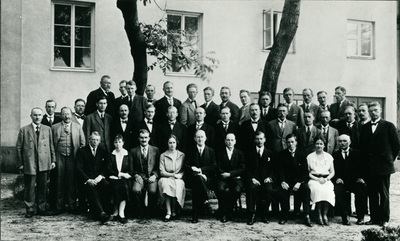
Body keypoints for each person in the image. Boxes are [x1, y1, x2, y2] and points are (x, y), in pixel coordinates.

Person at [359, 102, 400, 227]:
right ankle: (374, 218)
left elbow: (396, 145)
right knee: (372, 193)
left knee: (383, 193)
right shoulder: (365, 128)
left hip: (384, 166)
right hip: (370, 166)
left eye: (375, 110)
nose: (373, 113)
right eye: (371, 111)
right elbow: (363, 147)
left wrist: (389, 160)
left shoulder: (388, 126)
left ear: (380, 110)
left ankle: (384, 218)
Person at [16, 107, 56, 218]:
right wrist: (21, 163)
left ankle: (41, 208)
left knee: (43, 186)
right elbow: (19, 147)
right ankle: (29, 209)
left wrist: (53, 160)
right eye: (35, 115)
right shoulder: (24, 130)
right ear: (31, 116)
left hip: (44, 162)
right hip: (30, 162)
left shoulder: (47, 129)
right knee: (30, 187)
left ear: (42, 116)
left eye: (39, 115)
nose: (37, 117)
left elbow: (51, 145)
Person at [51, 107, 85, 214]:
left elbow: (82, 143)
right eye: (64, 114)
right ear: (61, 115)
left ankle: (72, 206)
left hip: (73, 157)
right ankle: (59, 206)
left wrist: (80, 159)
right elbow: (51, 144)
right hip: (59, 156)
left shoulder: (78, 127)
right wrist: (53, 159)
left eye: (68, 114)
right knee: (59, 181)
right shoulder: (54, 127)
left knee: (72, 182)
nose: (67, 116)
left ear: (72, 115)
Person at [276, 134, 312, 227]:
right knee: (282, 190)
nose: (290, 144)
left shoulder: (302, 154)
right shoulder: (281, 154)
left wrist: (299, 183)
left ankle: (306, 215)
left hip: (298, 181)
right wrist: (283, 181)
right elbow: (280, 170)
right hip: (287, 180)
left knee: (306, 189)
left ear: (296, 142)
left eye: (292, 142)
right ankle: (284, 214)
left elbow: (305, 172)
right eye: (288, 142)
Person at [76, 131, 112, 223]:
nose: (95, 142)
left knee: (106, 185)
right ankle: (101, 214)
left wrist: (100, 176)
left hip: (98, 178)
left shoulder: (103, 151)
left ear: (99, 141)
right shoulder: (82, 151)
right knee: (91, 189)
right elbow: (78, 168)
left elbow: (106, 167)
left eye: (97, 140)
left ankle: (105, 210)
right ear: (89, 140)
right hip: (87, 179)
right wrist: (88, 180)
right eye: (93, 139)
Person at [332, 134, 367, 225]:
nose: (342, 143)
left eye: (344, 141)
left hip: (355, 181)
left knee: (361, 189)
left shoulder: (357, 153)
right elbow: (332, 170)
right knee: (340, 190)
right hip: (342, 181)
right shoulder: (335, 155)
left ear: (349, 142)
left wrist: (361, 178)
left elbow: (363, 168)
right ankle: (345, 216)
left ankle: (360, 216)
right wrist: (336, 178)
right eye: (340, 141)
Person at [185, 130, 216, 223]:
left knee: (197, 185)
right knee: (197, 181)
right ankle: (206, 200)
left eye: (202, 137)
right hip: (193, 178)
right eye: (198, 137)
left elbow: (214, 167)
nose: (200, 139)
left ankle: (195, 215)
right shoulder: (190, 151)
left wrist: (201, 171)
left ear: (205, 138)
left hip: (208, 178)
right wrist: (193, 169)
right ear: (195, 139)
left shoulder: (211, 151)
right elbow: (186, 166)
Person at [245, 131, 275, 225]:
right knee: (251, 189)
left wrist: (270, 177)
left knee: (269, 189)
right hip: (253, 179)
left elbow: (274, 169)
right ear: (254, 140)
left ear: (265, 140)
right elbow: (246, 169)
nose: (259, 141)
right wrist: (252, 178)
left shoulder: (270, 153)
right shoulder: (249, 153)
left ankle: (264, 214)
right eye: (257, 139)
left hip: (266, 179)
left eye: (261, 139)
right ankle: (251, 214)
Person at [216, 133, 245, 223]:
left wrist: (230, 174)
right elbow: (217, 167)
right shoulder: (220, 153)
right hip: (223, 178)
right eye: (228, 140)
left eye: (232, 140)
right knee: (221, 189)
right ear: (225, 141)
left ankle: (229, 211)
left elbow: (242, 168)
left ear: (235, 141)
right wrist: (224, 174)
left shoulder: (239, 153)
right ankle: (224, 213)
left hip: (236, 178)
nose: (230, 142)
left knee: (236, 190)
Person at [131, 129, 160, 218]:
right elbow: (131, 168)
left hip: (151, 176)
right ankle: (140, 211)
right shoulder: (133, 151)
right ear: (138, 138)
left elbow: (159, 166)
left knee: (153, 191)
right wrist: (136, 175)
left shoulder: (155, 150)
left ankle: (150, 212)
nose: (144, 140)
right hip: (139, 176)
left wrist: (155, 175)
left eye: (146, 137)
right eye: (142, 138)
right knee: (136, 190)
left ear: (149, 138)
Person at [307, 136, 335, 226]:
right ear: (314, 145)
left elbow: (332, 172)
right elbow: (308, 173)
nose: (319, 146)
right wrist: (317, 179)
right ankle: (318, 215)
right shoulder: (310, 157)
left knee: (328, 190)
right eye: (317, 143)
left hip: (326, 179)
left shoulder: (329, 157)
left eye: (321, 144)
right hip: (314, 179)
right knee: (317, 190)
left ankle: (325, 214)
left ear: (324, 145)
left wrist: (326, 179)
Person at [158, 135, 186, 222]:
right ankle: (168, 212)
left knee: (177, 184)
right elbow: (161, 171)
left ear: (176, 143)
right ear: (167, 144)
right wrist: (173, 175)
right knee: (165, 184)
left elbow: (184, 169)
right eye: (170, 143)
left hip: (178, 178)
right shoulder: (163, 155)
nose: (172, 145)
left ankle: (174, 210)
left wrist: (181, 175)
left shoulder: (182, 155)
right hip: (166, 177)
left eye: (173, 142)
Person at [107, 135, 133, 224]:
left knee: (123, 185)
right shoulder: (111, 155)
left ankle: (121, 212)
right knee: (115, 185)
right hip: (114, 178)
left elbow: (131, 170)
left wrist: (122, 175)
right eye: (116, 142)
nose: (118, 144)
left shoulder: (127, 154)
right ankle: (115, 211)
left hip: (125, 179)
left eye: (119, 142)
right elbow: (109, 169)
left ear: (123, 143)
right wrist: (118, 175)